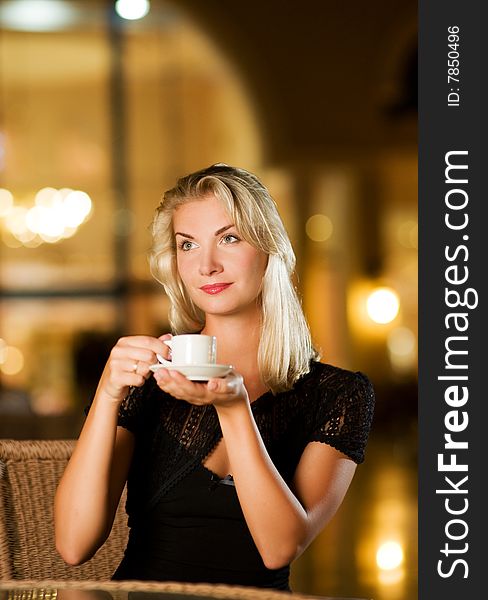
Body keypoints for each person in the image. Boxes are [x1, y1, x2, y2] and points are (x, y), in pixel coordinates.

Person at [54, 163, 375, 591]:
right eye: (187, 245)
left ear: (269, 249)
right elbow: (74, 546)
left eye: (229, 238)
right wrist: (107, 393)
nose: (206, 265)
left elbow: (279, 548)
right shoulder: (148, 382)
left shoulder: (339, 395)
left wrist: (233, 407)